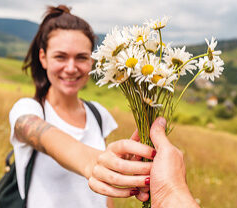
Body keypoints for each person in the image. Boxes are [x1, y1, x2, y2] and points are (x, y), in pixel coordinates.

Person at [9, 5, 154, 208]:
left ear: (91, 61)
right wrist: (92, 162)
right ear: (43, 58)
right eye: (60, 57)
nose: (71, 68)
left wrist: (108, 168)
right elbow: (36, 131)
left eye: (81, 57)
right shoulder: (28, 109)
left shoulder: (97, 114)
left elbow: (103, 194)